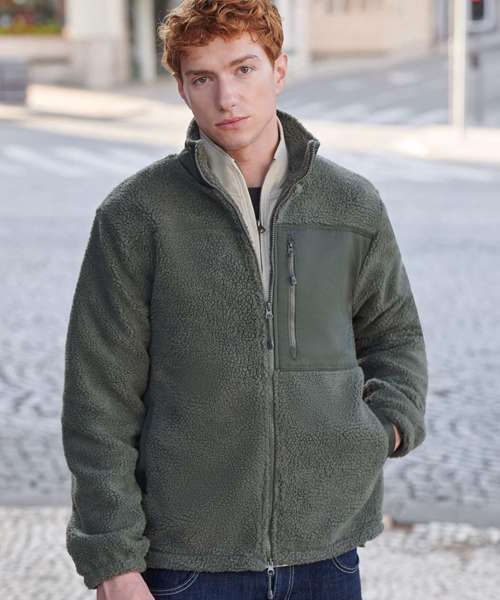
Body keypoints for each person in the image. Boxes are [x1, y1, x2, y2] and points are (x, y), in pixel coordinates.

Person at [60, 1, 428, 599]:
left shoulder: (351, 205)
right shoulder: (136, 215)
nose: (226, 98)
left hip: (326, 557)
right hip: (186, 564)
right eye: (203, 78)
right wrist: (113, 562)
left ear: (278, 69)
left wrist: (383, 430)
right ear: (181, 88)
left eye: (244, 69)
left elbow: (395, 334)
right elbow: (98, 396)